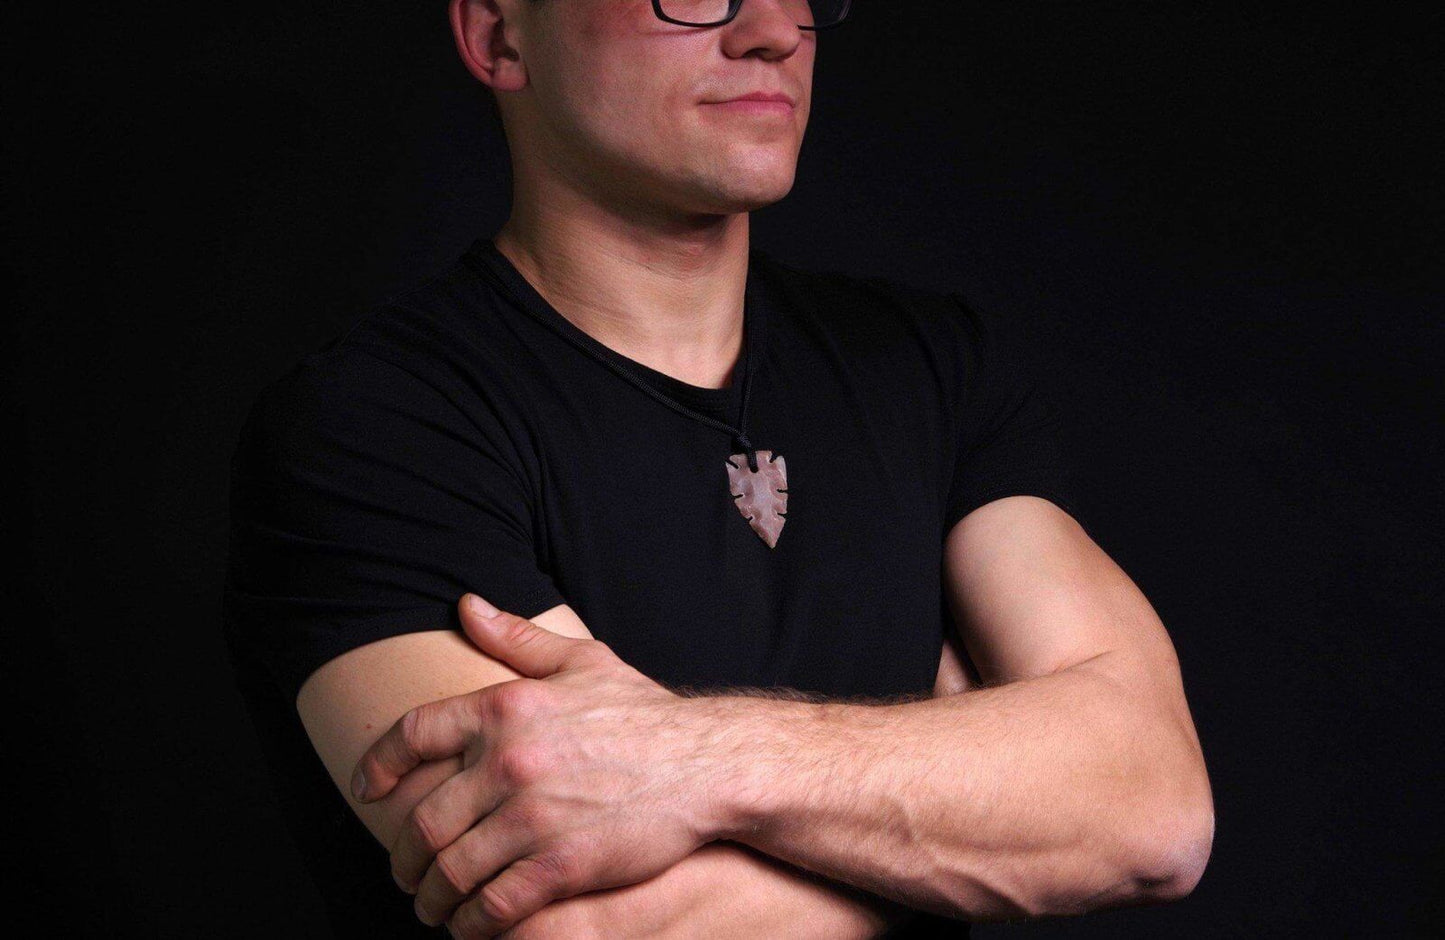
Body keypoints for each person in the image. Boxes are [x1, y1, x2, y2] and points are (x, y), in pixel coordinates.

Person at [223, 1, 1214, 936]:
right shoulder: (374, 427)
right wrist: (990, 799)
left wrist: (685, 758)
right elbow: (583, 926)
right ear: (499, 35)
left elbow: (1151, 805)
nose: (774, 29)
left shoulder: (929, 366)